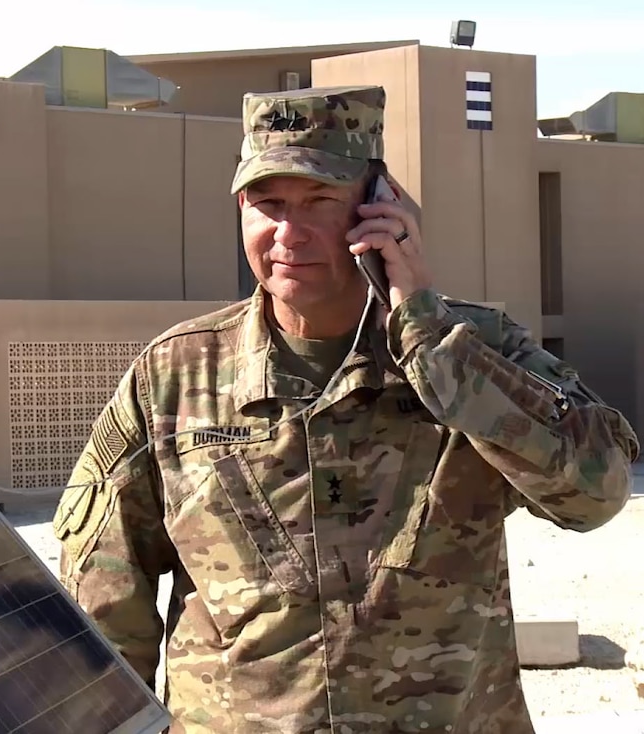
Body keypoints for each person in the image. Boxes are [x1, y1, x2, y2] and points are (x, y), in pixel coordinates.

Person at [52, 84, 639, 734]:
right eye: (267, 204)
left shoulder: (472, 352)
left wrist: (425, 332)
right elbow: (102, 597)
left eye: (320, 201)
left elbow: (598, 491)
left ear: (379, 209)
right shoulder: (174, 376)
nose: (288, 232)